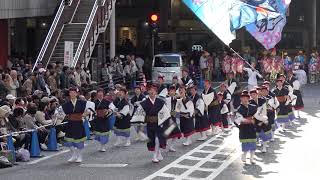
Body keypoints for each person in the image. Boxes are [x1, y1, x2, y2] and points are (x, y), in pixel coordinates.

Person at [60, 87, 90, 163]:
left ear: (77, 94)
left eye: (74, 92)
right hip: (70, 123)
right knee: (68, 141)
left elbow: (88, 111)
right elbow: (62, 114)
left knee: (79, 141)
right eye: (71, 93)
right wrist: (57, 117)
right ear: (69, 94)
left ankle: (80, 156)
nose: (72, 94)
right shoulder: (66, 104)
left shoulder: (82, 102)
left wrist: (84, 114)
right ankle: (74, 154)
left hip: (79, 123)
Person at [139, 84, 167, 163]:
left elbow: (165, 112)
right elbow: (140, 113)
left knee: (157, 139)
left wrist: (162, 121)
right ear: (148, 92)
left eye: (154, 90)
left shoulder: (160, 102)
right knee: (152, 140)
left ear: (156, 92)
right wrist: (142, 122)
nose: (152, 92)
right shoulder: (144, 103)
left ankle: (154, 156)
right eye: (150, 90)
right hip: (150, 124)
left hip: (158, 123)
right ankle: (158, 153)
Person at [234, 91, 258, 165]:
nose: (245, 99)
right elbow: (238, 119)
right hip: (244, 128)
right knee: (245, 144)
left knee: (253, 144)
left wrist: (258, 120)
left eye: (246, 98)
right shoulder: (239, 109)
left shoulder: (253, 107)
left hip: (252, 128)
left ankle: (252, 158)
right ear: (241, 99)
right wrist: (249, 120)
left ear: (248, 99)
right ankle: (244, 155)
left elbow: (257, 116)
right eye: (243, 98)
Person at [249, 89, 270, 153]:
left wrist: (263, 120)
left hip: (263, 118)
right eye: (251, 95)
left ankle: (264, 147)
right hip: (255, 120)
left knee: (263, 134)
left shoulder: (262, 100)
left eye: (254, 94)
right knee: (254, 134)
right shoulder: (250, 102)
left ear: (257, 94)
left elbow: (265, 111)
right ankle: (253, 148)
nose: (253, 96)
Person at [164, 85, 182, 152]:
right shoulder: (166, 99)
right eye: (170, 91)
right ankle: (164, 144)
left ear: (175, 92)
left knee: (176, 133)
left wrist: (177, 114)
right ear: (168, 92)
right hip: (167, 118)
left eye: (173, 91)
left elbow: (179, 108)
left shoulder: (177, 99)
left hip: (174, 118)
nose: (172, 92)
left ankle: (171, 146)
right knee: (166, 132)